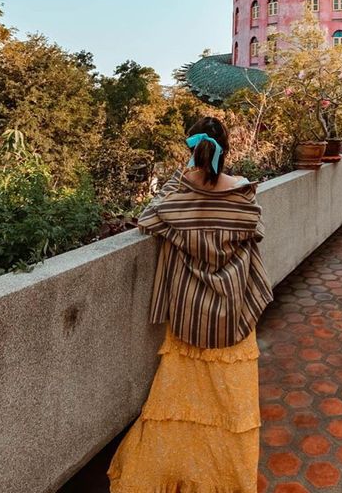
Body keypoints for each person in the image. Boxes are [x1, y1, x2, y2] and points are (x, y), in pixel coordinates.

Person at [107, 116, 273, 493]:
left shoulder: (179, 196)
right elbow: (255, 231)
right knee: (230, 400)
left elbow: (148, 218)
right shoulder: (244, 193)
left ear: (192, 151)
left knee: (181, 396)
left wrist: (177, 180)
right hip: (234, 310)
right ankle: (227, 474)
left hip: (187, 312)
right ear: (225, 149)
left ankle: (176, 464)